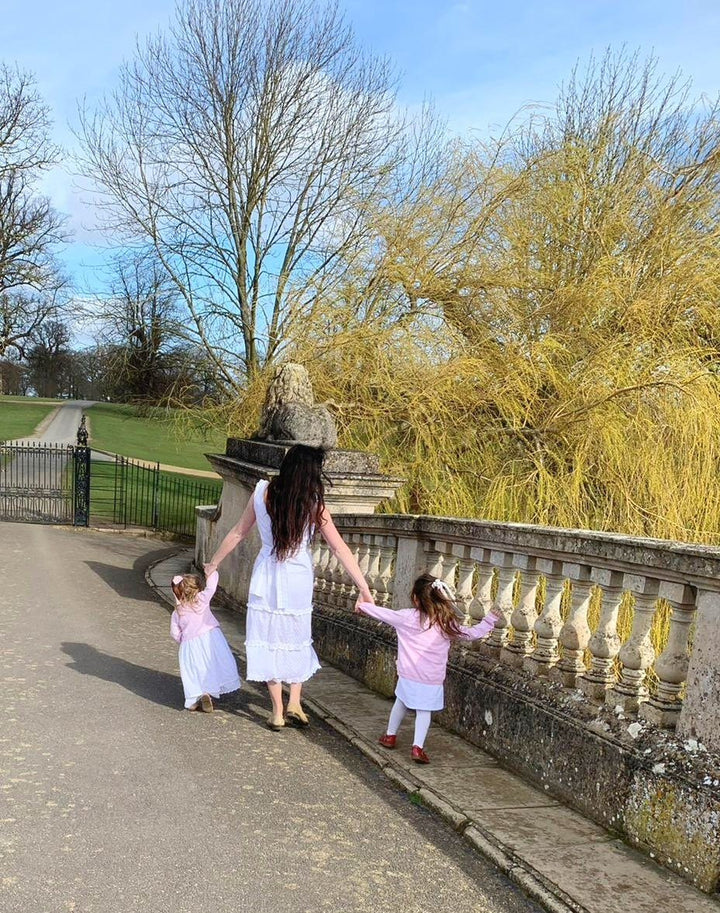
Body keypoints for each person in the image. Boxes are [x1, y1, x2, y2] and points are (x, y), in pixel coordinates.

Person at [204, 444, 373, 731]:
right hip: (297, 578)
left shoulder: (262, 492)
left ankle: (277, 711)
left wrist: (214, 563)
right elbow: (339, 548)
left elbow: (238, 532)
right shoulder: (313, 503)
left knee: (266, 638)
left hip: (267, 575)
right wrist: (364, 588)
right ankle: (295, 701)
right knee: (297, 637)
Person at [356, 573, 498, 763]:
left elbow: (382, 613)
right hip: (432, 678)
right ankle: (417, 747)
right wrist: (489, 620)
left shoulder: (406, 617)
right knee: (424, 712)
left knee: (401, 701)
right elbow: (470, 634)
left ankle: (390, 735)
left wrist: (363, 605)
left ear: (416, 599)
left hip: (408, 674)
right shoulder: (446, 623)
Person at [170, 570, 242, 712]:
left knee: (193, 671)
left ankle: (193, 698)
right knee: (210, 666)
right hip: (210, 638)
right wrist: (212, 572)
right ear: (197, 589)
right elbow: (211, 587)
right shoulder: (202, 600)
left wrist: (182, 640)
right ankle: (207, 691)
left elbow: (174, 632)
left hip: (190, 644)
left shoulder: (178, 611)